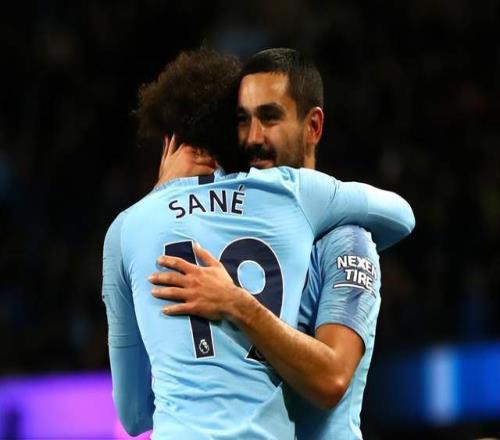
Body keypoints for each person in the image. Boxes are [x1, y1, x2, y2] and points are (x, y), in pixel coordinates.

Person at [102, 48, 414, 439]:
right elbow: (401, 215)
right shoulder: (272, 203)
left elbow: (332, 378)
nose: (252, 138)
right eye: (242, 120)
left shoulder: (346, 238)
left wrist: (236, 302)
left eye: (270, 118)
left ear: (313, 126)